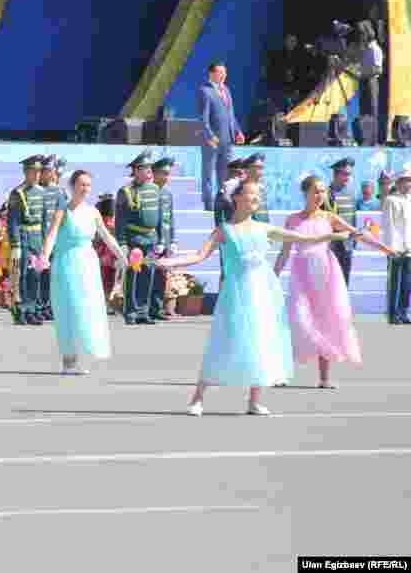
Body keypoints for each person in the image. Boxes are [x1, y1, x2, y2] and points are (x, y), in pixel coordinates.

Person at [157, 180, 348, 416]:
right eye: (252, 194)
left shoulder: (264, 228)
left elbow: (302, 238)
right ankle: (198, 399)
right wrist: (171, 262)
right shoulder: (224, 230)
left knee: (260, 341)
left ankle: (254, 401)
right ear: (237, 197)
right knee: (223, 341)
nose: (257, 199)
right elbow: (199, 256)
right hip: (236, 294)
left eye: (259, 195)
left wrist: (335, 235)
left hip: (262, 293)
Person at [274, 175, 393, 387]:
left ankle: (324, 378)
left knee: (325, 321)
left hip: (326, 272)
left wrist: (385, 249)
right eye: (316, 191)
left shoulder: (329, 217)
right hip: (301, 274)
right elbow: (284, 252)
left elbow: (357, 234)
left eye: (323, 191)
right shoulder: (292, 219)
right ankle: (282, 373)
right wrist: (273, 274)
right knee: (298, 320)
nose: (320, 195)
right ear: (305, 193)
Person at [42, 170, 127, 375]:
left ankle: (83, 355)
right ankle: (68, 359)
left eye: (88, 185)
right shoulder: (63, 210)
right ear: (72, 186)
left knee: (87, 309)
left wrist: (121, 256)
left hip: (87, 263)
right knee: (68, 308)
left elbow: (106, 236)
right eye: (81, 184)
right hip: (66, 263)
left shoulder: (93, 212)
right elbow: (51, 235)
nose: (85, 189)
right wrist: (44, 256)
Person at [115, 150, 159, 325]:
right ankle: (131, 311)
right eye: (144, 168)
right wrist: (122, 242)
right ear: (135, 170)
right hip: (135, 240)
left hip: (151, 239)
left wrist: (161, 240)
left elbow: (158, 216)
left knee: (148, 274)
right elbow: (120, 220)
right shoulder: (126, 191)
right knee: (133, 275)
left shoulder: (155, 189)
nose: (149, 171)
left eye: (149, 167)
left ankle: (143, 311)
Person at [6, 155, 47, 325]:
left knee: (35, 276)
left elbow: (44, 220)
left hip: (37, 239)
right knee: (21, 276)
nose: (36, 175)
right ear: (25, 172)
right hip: (23, 240)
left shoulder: (41, 192)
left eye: (38, 171)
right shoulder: (18, 193)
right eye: (33, 171)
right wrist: (15, 244)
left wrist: (45, 243)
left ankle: (32, 308)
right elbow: (13, 221)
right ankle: (21, 310)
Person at [200, 62, 245, 211]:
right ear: (211, 74)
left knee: (226, 173)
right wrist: (210, 135)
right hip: (212, 140)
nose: (224, 75)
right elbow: (203, 118)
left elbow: (231, 115)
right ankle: (208, 205)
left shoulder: (226, 90)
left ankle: (223, 202)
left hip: (227, 139)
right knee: (208, 173)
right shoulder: (205, 91)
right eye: (220, 72)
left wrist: (237, 131)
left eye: (224, 72)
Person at [381, 166, 411, 324]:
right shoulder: (391, 200)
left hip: (409, 248)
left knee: (407, 283)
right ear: (398, 183)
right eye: (405, 181)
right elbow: (389, 226)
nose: (408, 184)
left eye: (410, 181)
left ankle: (404, 312)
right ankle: (393, 314)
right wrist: (391, 248)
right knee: (394, 283)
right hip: (396, 249)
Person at [149, 156, 177, 321]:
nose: (167, 177)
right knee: (148, 275)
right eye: (164, 173)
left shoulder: (167, 194)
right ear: (155, 173)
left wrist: (172, 240)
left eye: (168, 174)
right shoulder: (148, 191)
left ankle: (157, 308)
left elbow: (170, 218)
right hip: (152, 242)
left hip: (164, 242)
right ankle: (144, 309)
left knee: (161, 277)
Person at [323, 158, 357, 287]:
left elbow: (352, 217)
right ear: (335, 174)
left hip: (347, 244)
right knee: (330, 282)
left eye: (349, 174)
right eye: (345, 174)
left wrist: (353, 239)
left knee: (344, 281)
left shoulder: (351, 193)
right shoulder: (326, 193)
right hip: (331, 244)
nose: (348, 177)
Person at [37, 156, 63, 321]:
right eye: (45, 171)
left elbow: (64, 216)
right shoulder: (35, 189)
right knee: (39, 275)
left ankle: (49, 305)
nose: (49, 174)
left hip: (54, 239)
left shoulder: (58, 192)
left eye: (50, 171)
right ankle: (38, 305)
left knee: (52, 276)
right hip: (38, 237)